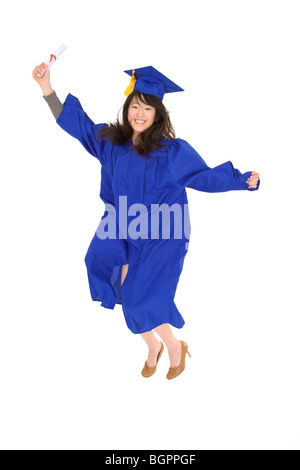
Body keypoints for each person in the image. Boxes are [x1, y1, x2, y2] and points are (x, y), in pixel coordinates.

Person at [32, 62, 260, 380]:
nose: (140, 113)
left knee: (144, 299)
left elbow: (204, 177)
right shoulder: (111, 143)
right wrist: (47, 87)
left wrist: (241, 180)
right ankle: (153, 346)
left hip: (162, 234)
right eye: (135, 106)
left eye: (147, 108)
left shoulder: (172, 152)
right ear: (128, 108)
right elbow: (80, 126)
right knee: (116, 283)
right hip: (122, 230)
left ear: (157, 115)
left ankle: (174, 347)